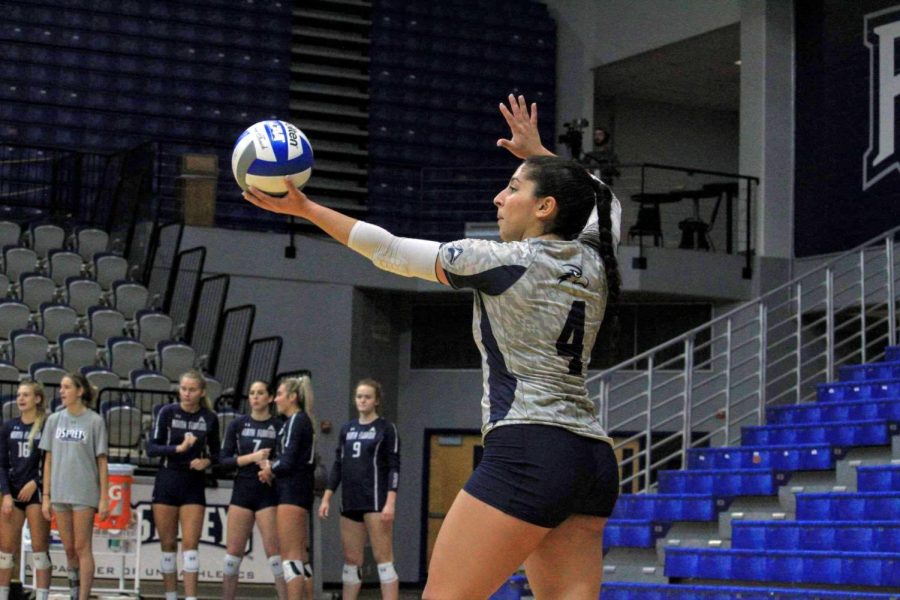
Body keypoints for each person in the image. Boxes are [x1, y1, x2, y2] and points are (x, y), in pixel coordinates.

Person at [244, 94, 621, 599]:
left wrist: (306, 207)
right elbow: (606, 202)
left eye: (512, 188)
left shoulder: (501, 260)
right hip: (593, 460)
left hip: (530, 449)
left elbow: (390, 251)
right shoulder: (597, 260)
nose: (498, 198)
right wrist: (542, 157)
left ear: (544, 207)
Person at [318, 379, 400, 600]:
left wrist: (390, 501)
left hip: (375, 501)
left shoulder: (386, 429)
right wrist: (327, 497)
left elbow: (394, 466)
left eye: (367, 397)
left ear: (376, 401)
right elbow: (338, 464)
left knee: (383, 558)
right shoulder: (347, 429)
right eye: (359, 397)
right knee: (352, 561)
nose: (362, 400)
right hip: (350, 501)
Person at [147, 370, 220, 600]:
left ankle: (190, 597)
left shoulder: (209, 418)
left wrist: (206, 461)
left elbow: (218, 455)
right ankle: (170, 595)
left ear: (201, 392)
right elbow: (152, 448)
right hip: (168, 480)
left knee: (190, 545)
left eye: (192, 390)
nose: (187, 394)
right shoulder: (167, 413)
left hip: (193, 484)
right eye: (183, 389)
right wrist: (177, 449)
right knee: (168, 544)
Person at [40, 373, 109, 600]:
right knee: (68, 549)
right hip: (59, 490)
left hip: (84, 491)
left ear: (80, 391)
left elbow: (102, 461)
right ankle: (73, 591)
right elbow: (48, 459)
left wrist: (104, 497)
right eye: (61, 387)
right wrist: (47, 496)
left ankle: (84, 596)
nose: (62, 391)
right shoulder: (53, 420)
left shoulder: (95, 421)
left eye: (67, 387)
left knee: (82, 547)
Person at [220, 380, 287, 600]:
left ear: (269, 398)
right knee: (232, 556)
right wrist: (252, 458)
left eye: (260, 393)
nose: (255, 397)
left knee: (275, 555)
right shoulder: (237, 425)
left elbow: (286, 460)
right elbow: (224, 461)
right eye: (252, 393)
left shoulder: (279, 426)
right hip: (242, 490)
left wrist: (270, 468)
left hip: (267, 492)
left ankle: (285, 597)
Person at [258, 376, 316, 600]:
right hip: (296, 490)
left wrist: (270, 468)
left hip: (293, 491)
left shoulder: (296, 421)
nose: (276, 400)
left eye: (280, 395)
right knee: (300, 556)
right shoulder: (296, 421)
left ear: (293, 397)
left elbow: (289, 460)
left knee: (290, 556)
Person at [0, 381, 51, 600]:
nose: (20, 399)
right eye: (19, 395)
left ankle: (42, 596)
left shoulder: (46, 426)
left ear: (37, 399)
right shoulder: (9, 427)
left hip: (37, 494)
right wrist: (6, 494)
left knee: (39, 550)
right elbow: (1, 464)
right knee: (5, 550)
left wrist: (37, 482)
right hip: (13, 491)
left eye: (26, 395)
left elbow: (52, 463)